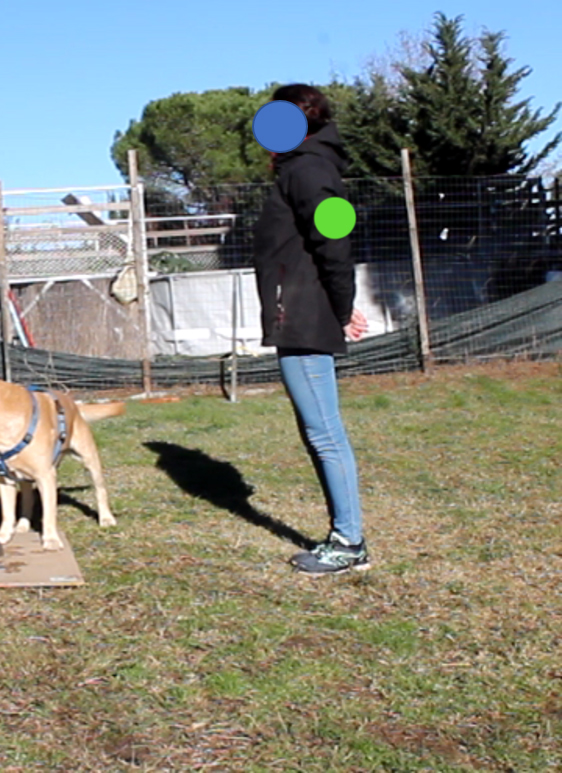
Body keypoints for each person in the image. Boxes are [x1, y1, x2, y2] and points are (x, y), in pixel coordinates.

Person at [252, 84, 371, 575]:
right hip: (299, 313)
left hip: (305, 318)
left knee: (325, 434)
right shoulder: (302, 168)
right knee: (318, 431)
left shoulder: (309, 169)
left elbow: (335, 240)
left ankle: (349, 543)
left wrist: (342, 309)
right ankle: (346, 537)